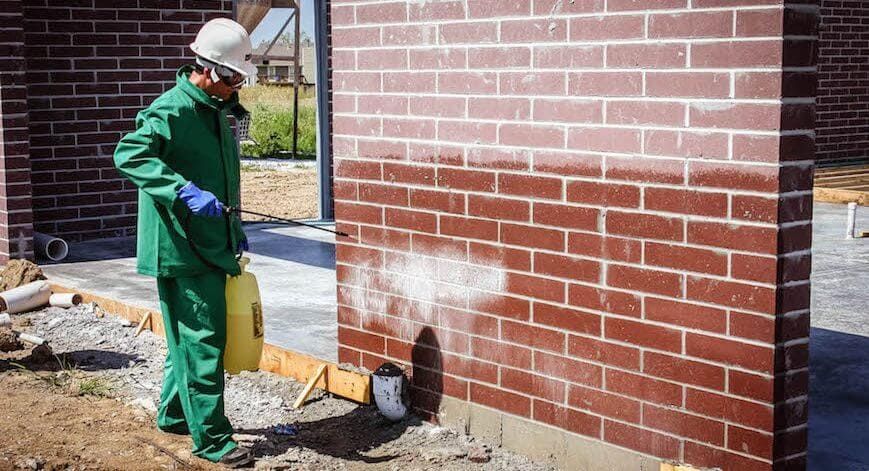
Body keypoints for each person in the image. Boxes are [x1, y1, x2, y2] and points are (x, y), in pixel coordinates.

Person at [113, 17, 255, 468]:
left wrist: (234, 230)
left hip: (211, 241)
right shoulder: (170, 111)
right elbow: (128, 153)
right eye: (233, 79)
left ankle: (175, 414)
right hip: (180, 248)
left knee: (189, 338)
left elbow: (224, 178)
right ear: (211, 71)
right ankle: (212, 440)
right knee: (202, 341)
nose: (237, 89)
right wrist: (180, 189)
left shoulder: (214, 112)